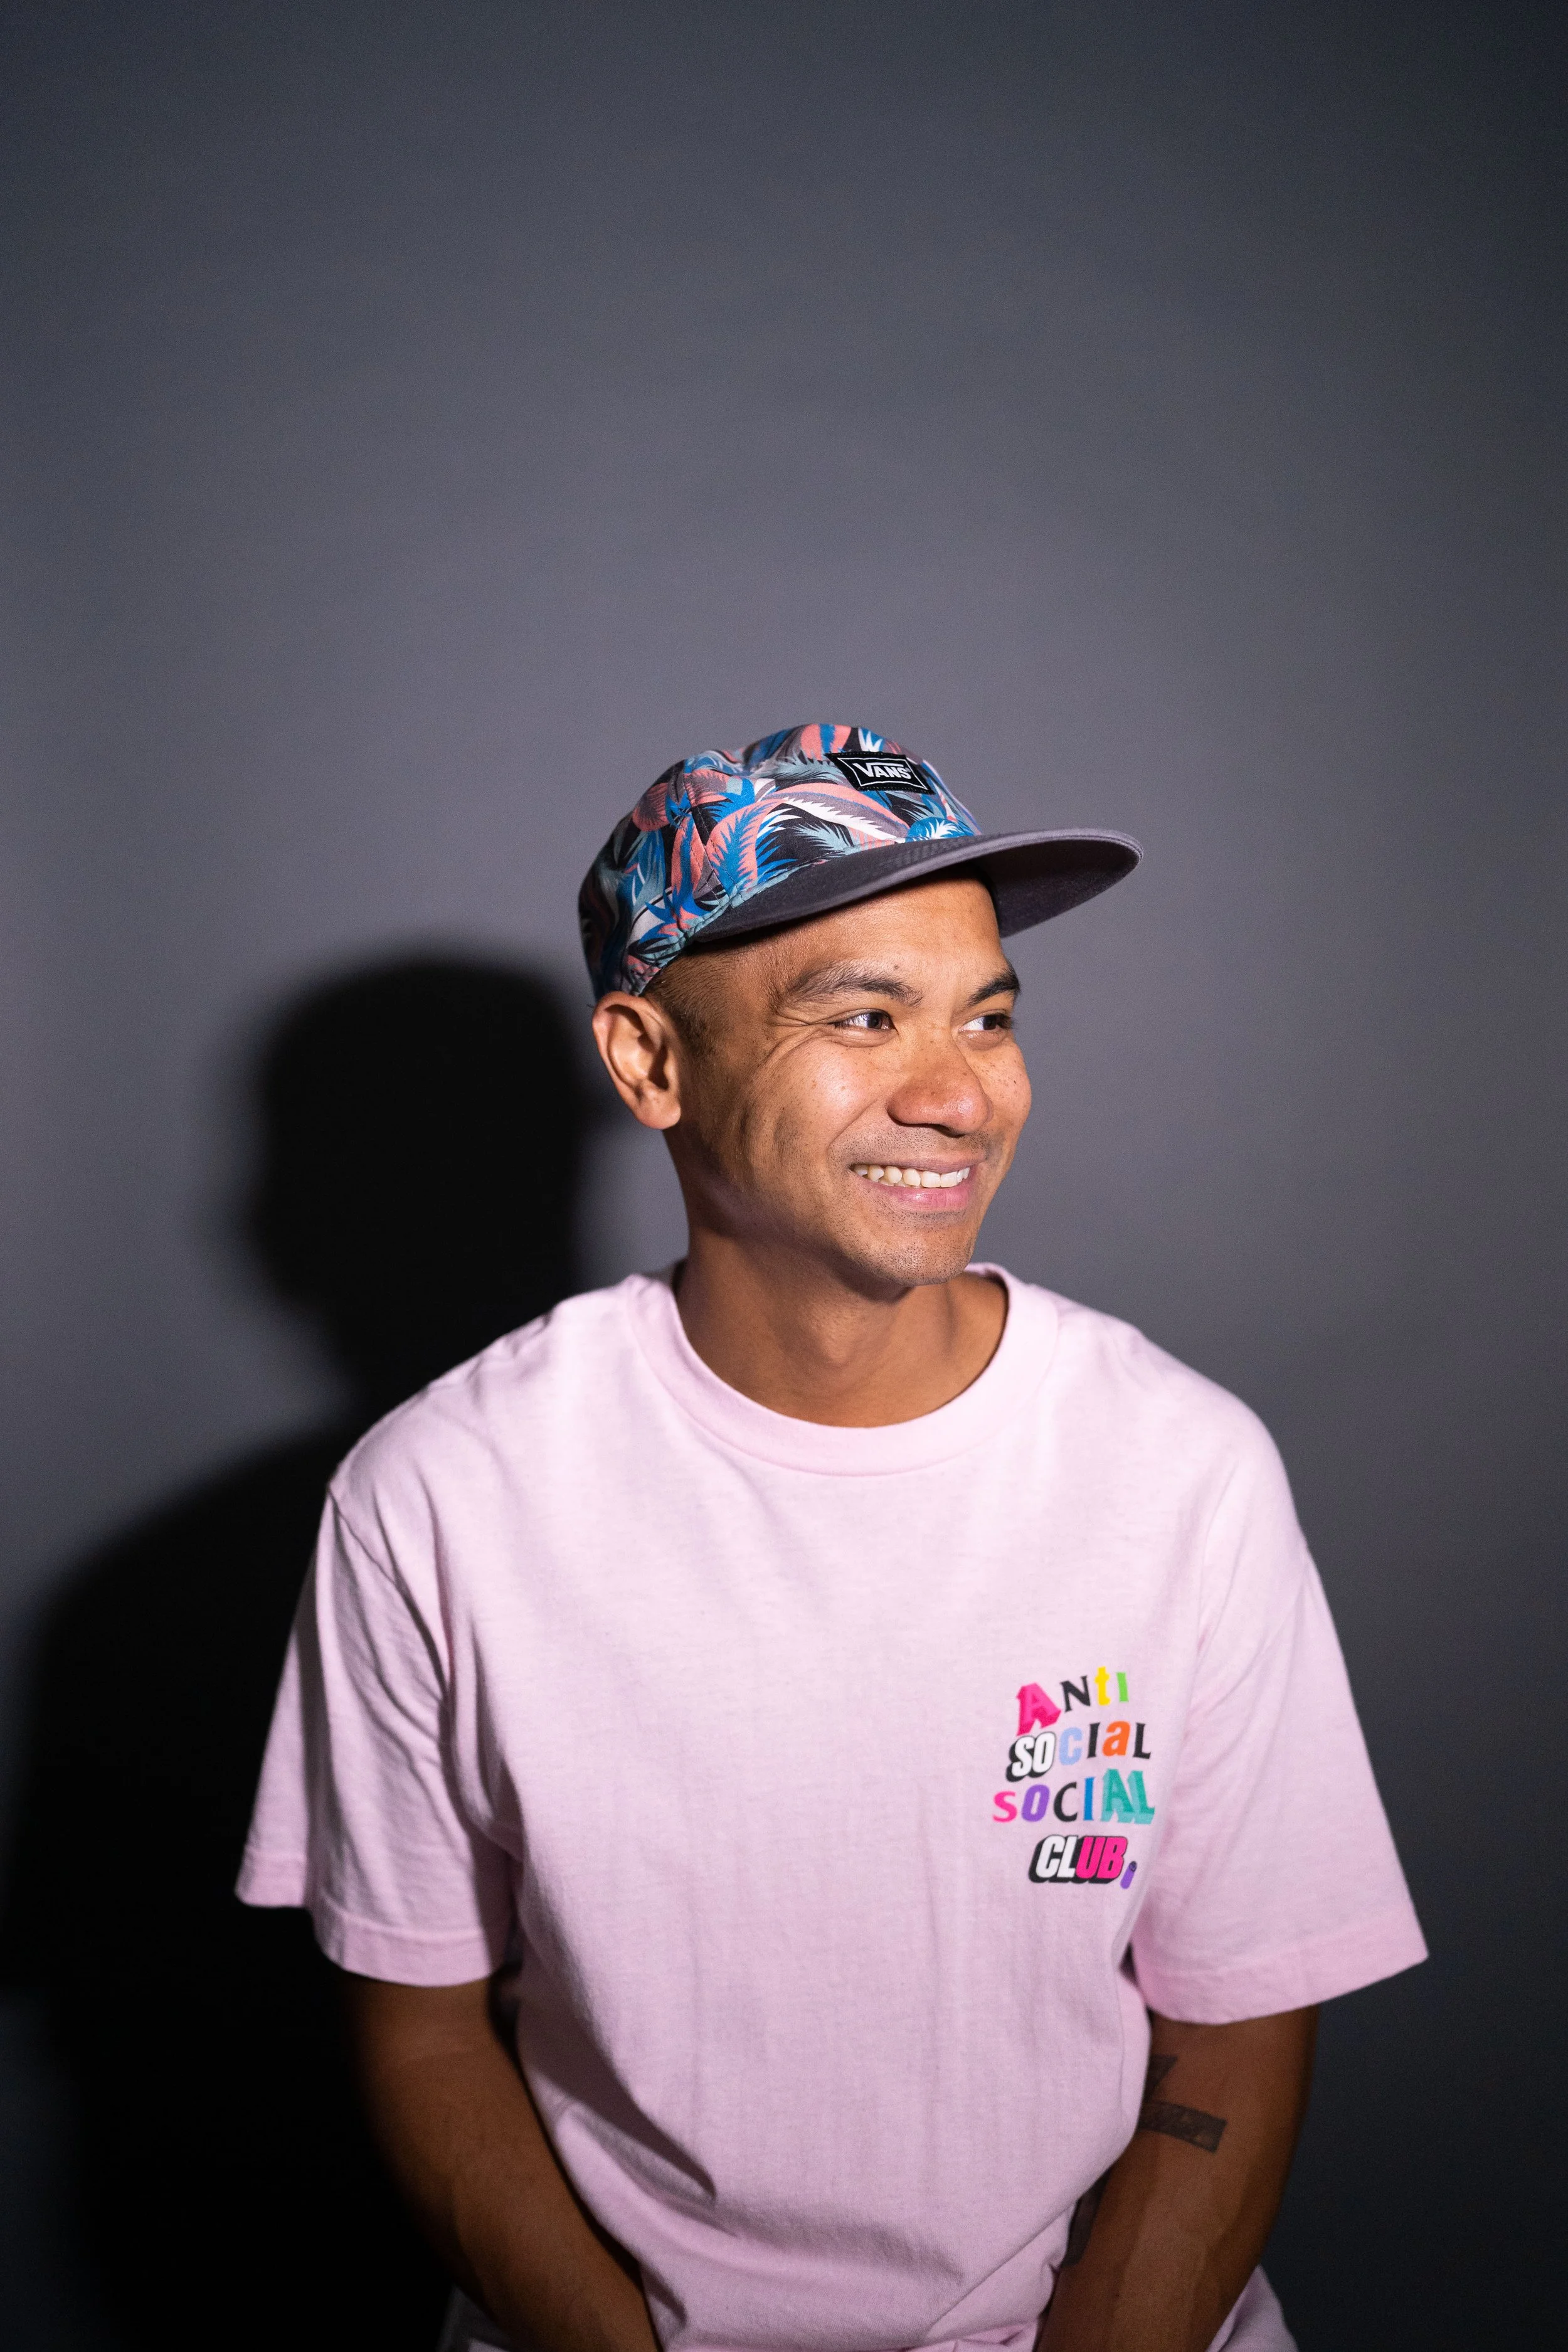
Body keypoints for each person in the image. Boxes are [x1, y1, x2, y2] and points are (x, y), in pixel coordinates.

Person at [238, 723, 1425, 2352]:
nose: (955, 1093)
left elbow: (1231, 2029)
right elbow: (423, 2026)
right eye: (863, 1015)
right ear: (649, 1060)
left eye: (987, 1016)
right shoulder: (439, 1492)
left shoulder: (1181, 1468)